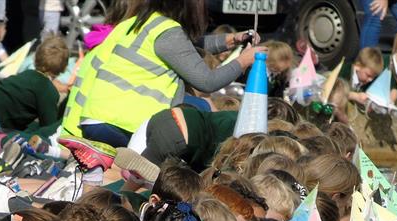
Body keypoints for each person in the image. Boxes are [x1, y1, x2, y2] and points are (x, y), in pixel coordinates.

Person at [71, 0, 265, 147]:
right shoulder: (168, 33)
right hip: (124, 123)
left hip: (96, 118)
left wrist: (232, 40)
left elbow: (185, 47)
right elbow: (207, 81)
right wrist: (243, 61)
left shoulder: (145, 23)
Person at [0, 34, 69, 132]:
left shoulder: (25, 74)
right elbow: (48, 129)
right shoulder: (48, 91)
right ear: (64, 68)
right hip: (3, 129)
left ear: (35, 57)